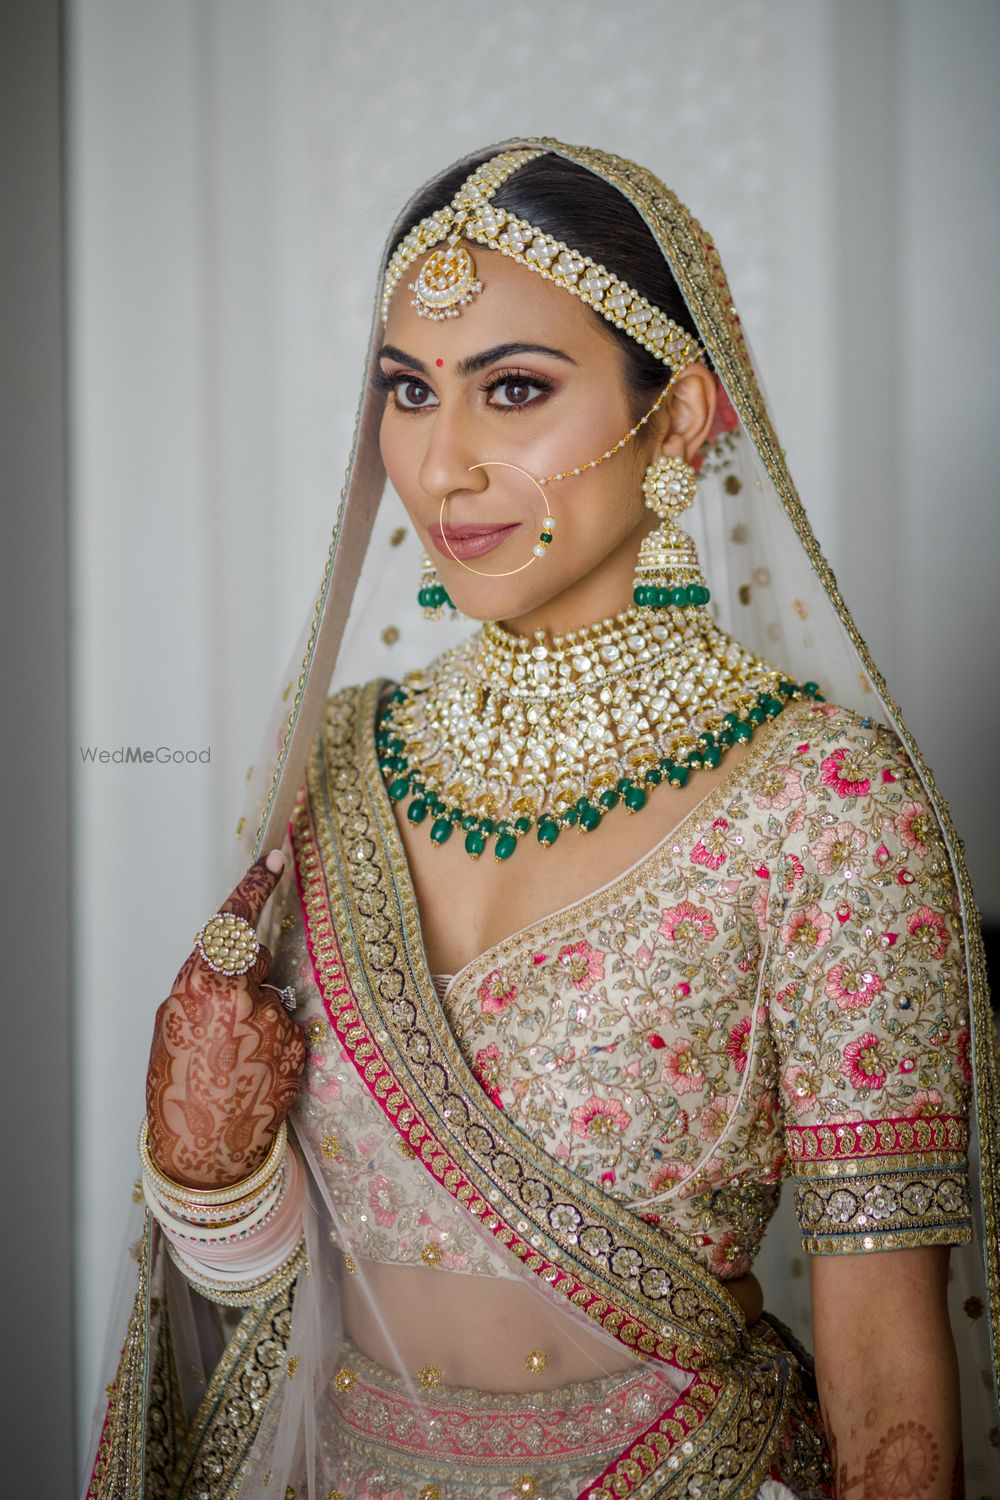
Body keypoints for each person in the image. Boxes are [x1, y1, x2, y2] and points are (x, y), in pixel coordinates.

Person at [85, 138, 999, 1500]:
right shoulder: (339, 762)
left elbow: (880, 1363)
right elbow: (291, 1280)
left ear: (682, 418)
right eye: (407, 391)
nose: (440, 465)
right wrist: (208, 1184)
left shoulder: (826, 807)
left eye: (513, 389)